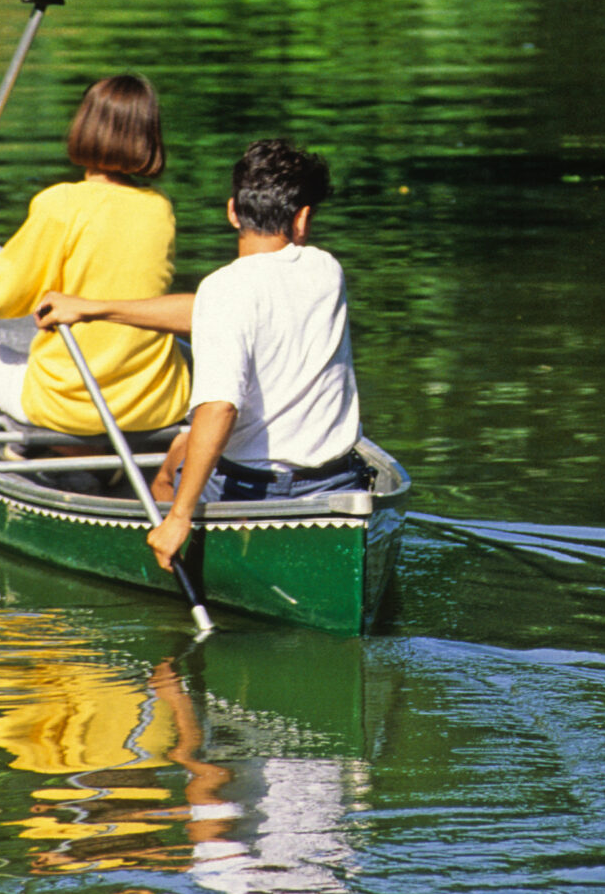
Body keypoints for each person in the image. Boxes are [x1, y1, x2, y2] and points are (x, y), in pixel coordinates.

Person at [37, 139, 366, 575]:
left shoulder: (225, 289)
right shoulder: (326, 271)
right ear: (302, 220)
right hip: (337, 482)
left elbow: (219, 407)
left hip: (258, 494)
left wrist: (179, 518)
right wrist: (93, 307)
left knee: (174, 466)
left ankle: (159, 545)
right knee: (179, 446)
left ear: (232, 212)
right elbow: (213, 311)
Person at [0, 73, 191, 438]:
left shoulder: (60, 203)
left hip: (71, 406)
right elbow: (95, 263)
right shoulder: (159, 208)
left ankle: (45, 446)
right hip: (154, 403)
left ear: (83, 127)